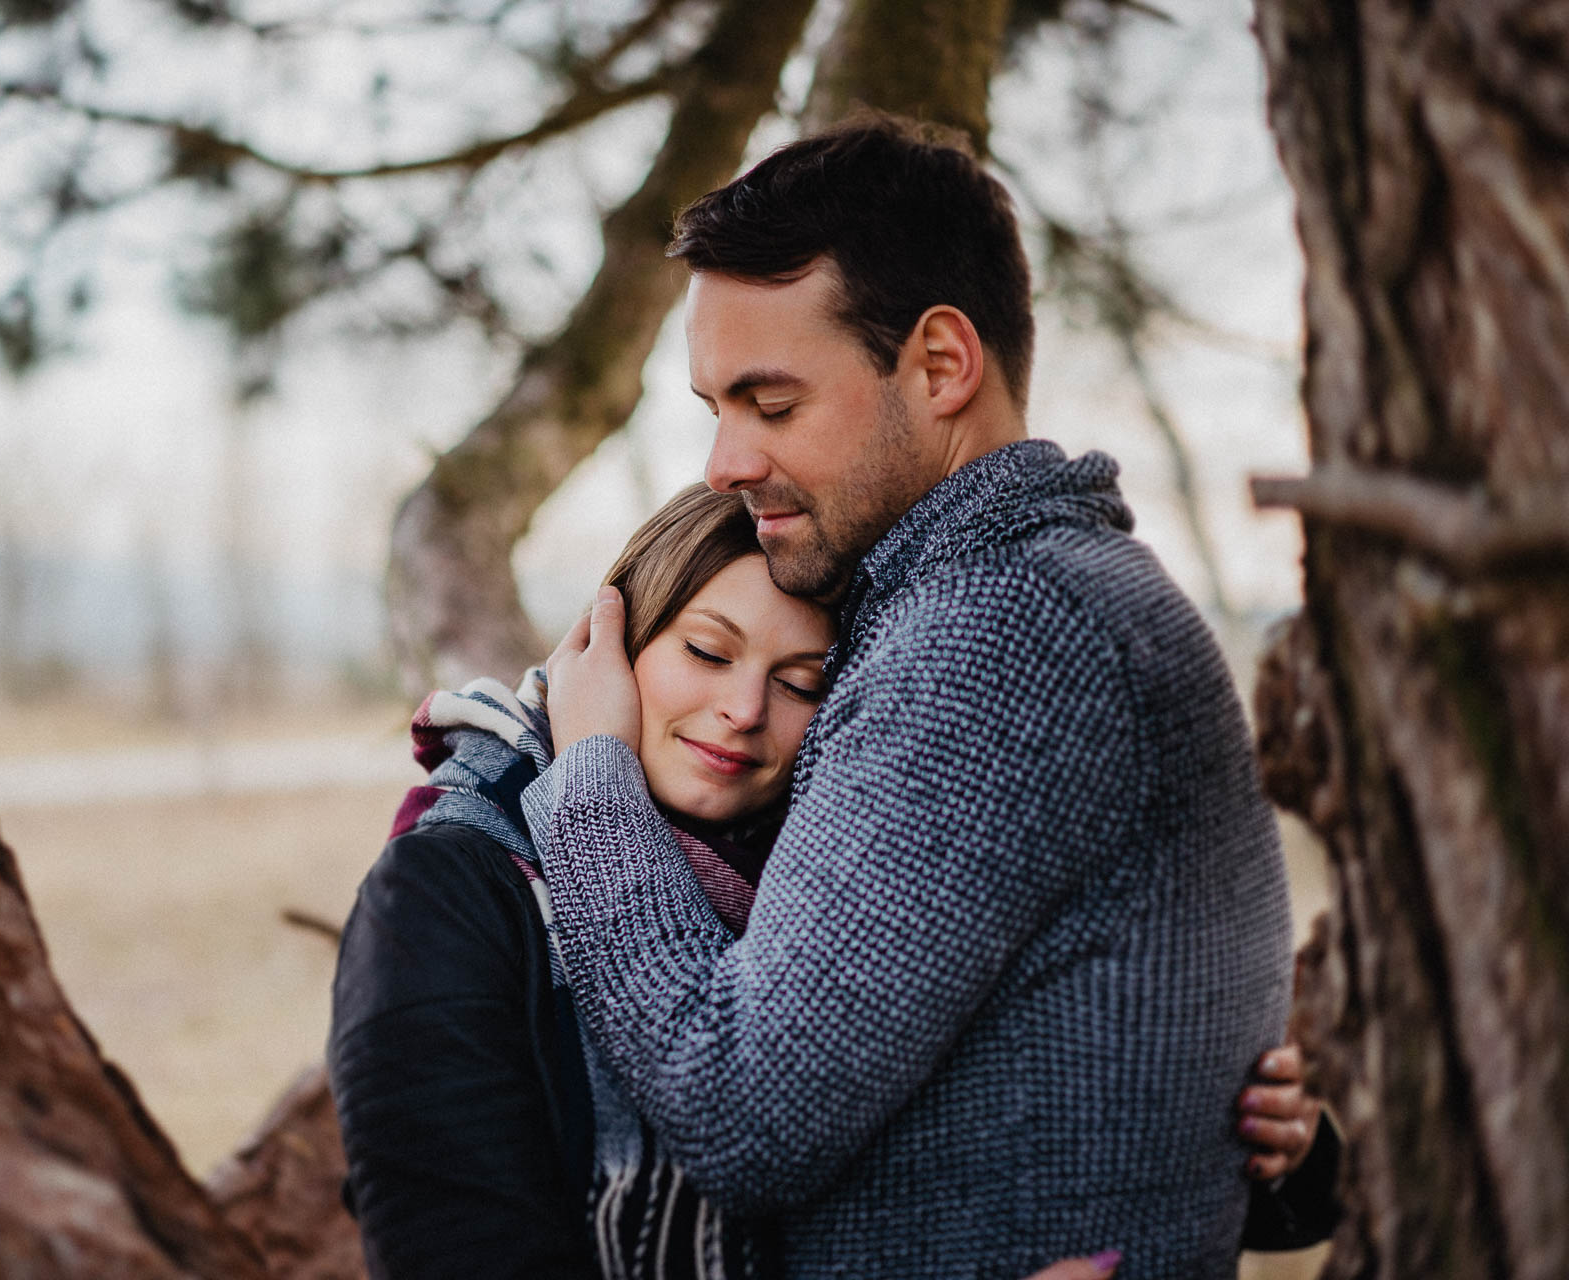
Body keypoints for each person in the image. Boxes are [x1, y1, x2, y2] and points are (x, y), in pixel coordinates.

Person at [528, 118, 1298, 1277]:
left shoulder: (1000, 634)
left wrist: (586, 774)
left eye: (770, 403)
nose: (723, 463)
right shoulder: (1005, 596)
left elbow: (741, 1109)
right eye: (714, 408)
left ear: (941, 363)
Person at [330, 485, 1328, 1279]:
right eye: (707, 650)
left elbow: (1003, 1126)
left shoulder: (853, 880)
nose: (742, 707)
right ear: (615, 644)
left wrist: (1265, 1144)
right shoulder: (448, 892)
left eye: (804, 681)